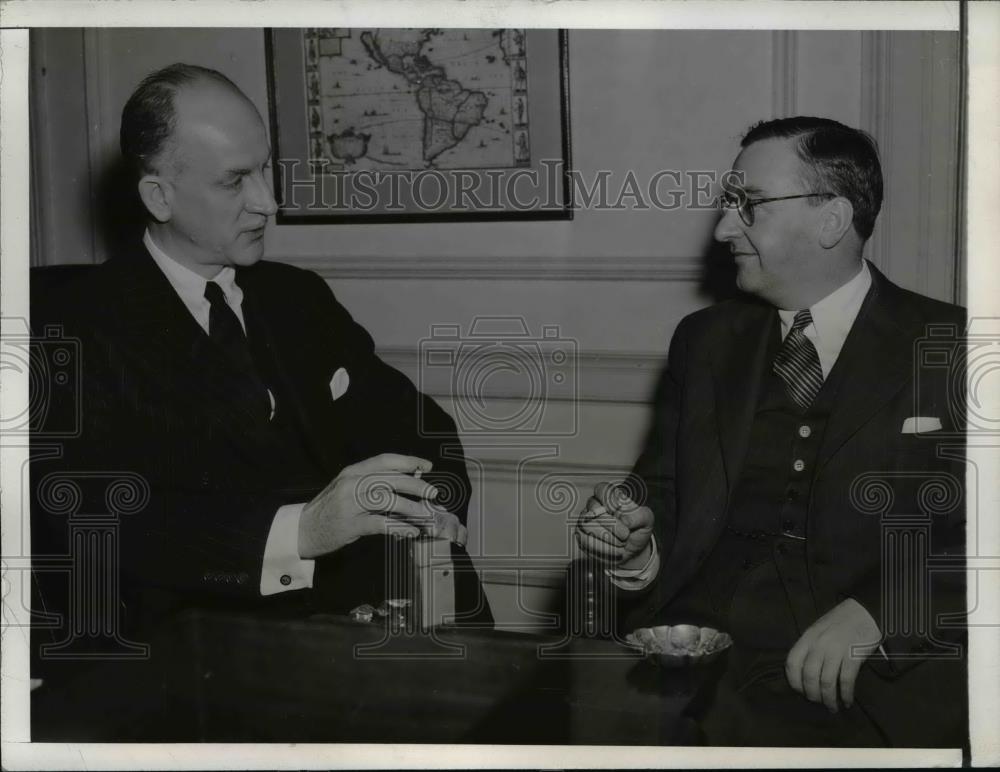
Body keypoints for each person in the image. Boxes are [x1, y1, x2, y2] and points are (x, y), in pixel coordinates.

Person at [31, 63, 492, 656]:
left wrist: (431, 506)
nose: (268, 202)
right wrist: (302, 532)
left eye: (266, 168)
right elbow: (96, 524)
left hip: (379, 626)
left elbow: (419, 425)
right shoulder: (68, 326)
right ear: (159, 196)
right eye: (234, 181)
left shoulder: (296, 295)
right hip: (204, 655)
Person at [574, 117, 966, 747]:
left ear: (832, 220)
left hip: (877, 684)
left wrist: (881, 611)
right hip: (700, 676)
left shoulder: (955, 347)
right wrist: (634, 545)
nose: (724, 228)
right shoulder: (703, 343)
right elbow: (662, 496)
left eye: (747, 205)